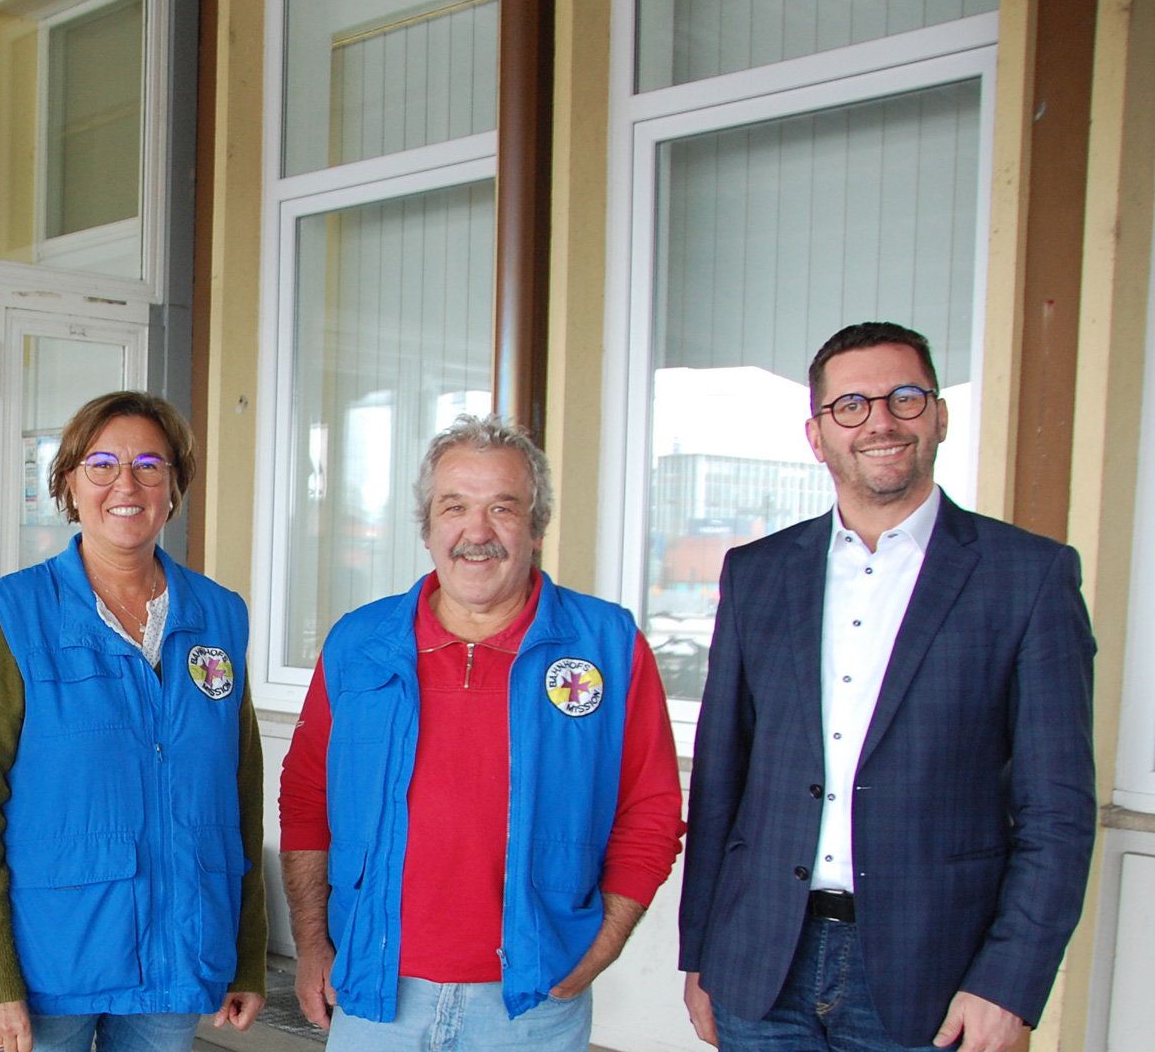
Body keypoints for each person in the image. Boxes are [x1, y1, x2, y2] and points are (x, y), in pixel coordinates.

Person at [678, 322, 1097, 1052]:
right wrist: (700, 952)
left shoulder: (1028, 577)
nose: (879, 421)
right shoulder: (758, 573)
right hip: (760, 963)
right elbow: (722, 782)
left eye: (904, 398)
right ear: (817, 434)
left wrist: (1010, 983)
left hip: (935, 974)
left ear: (938, 415)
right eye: (851, 405)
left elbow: (1057, 812)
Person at [279, 415, 684, 1052]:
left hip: (532, 1005)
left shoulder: (608, 646)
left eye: (503, 508)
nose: (477, 531)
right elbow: (307, 802)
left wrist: (597, 951)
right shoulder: (359, 644)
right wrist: (309, 945)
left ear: (538, 526)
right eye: (455, 507)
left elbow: (651, 810)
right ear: (428, 526)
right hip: (376, 994)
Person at [0, 391, 267, 1052]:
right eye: (102, 464)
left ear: (173, 485)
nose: (127, 483)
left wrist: (247, 953)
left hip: (179, 951)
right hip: (52, 962)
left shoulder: (220, 616)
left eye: (150, 465)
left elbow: (242, 794)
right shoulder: (15, 616)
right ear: (69, 481)